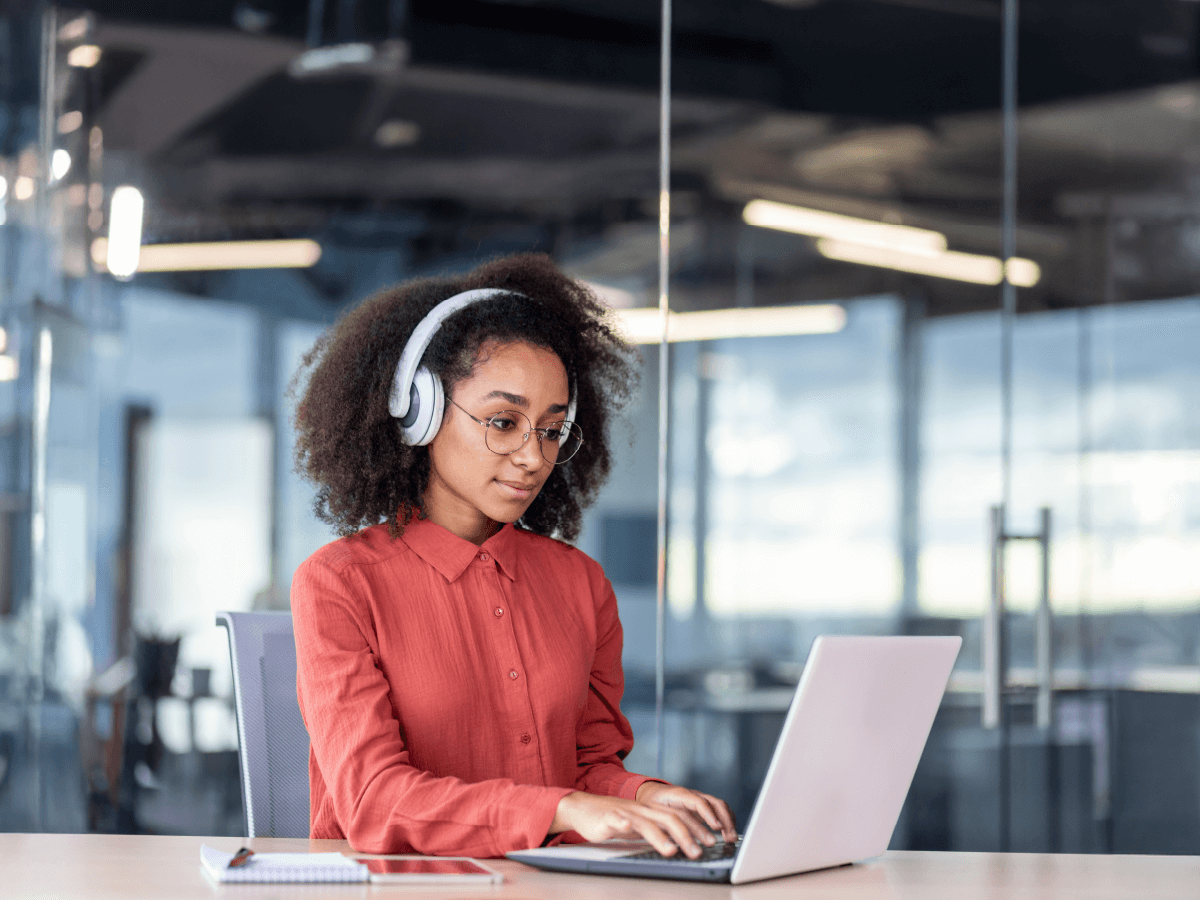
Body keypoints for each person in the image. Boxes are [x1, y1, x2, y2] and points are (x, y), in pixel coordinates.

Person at [290, 253, 736, 860]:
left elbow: (586, 769)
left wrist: (643, 796)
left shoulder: (580, 584)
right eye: (503, 422)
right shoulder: (340, 583)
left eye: (551, 429)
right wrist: (558, 808)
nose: (533, 456)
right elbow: (373, 801)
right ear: (419, 413)